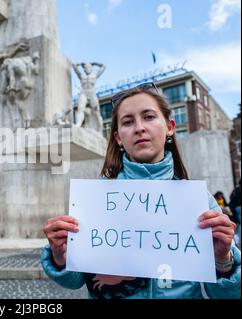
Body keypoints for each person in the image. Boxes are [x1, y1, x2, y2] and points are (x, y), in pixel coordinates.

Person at [41, 82, 240, 299]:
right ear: (118, 138)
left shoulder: (199, 201)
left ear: (170, 127)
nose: (139, 128)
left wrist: (223, 259)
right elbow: (74, 280)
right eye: (128, 122)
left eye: (149, 117)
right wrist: (60, 255)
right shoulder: (95, 200)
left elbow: (227, 294)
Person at [72, 62, 105, 131]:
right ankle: (78, 123)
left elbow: (103, 66)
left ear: (91, 69)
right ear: (84, 69)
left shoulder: (95, 76)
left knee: (96, 111)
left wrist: (94, 63)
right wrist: (80, 63)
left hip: (92, 93)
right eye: (86, 68)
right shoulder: (81, 76)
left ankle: (100, 128)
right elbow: (74, 66)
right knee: (80, 109)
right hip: (83, 93)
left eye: (89, 68)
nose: (88, 69)